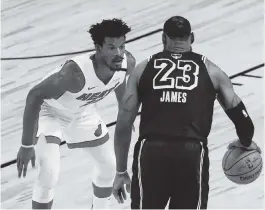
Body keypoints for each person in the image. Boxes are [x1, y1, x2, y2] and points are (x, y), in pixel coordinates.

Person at [112, 16, 261, 209]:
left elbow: (123, 123)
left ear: (163, 38)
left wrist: (121, 171)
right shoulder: (211, 70)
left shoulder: (142, 69)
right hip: (191, 153)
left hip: (150, 153)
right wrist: (246, 141)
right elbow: (241, 116)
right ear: (192, 37)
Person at [16, 18, 136, 209]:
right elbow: (34, 97)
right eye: (112, 48)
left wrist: (124, 109)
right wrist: (26, 144)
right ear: (98, 48)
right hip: (50, 111)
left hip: (82, 112)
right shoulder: (73, 74)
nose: (119, 53)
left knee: (108, 167)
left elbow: (119, 80)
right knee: (48, 173)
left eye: (122, 46)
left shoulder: (126, 62)